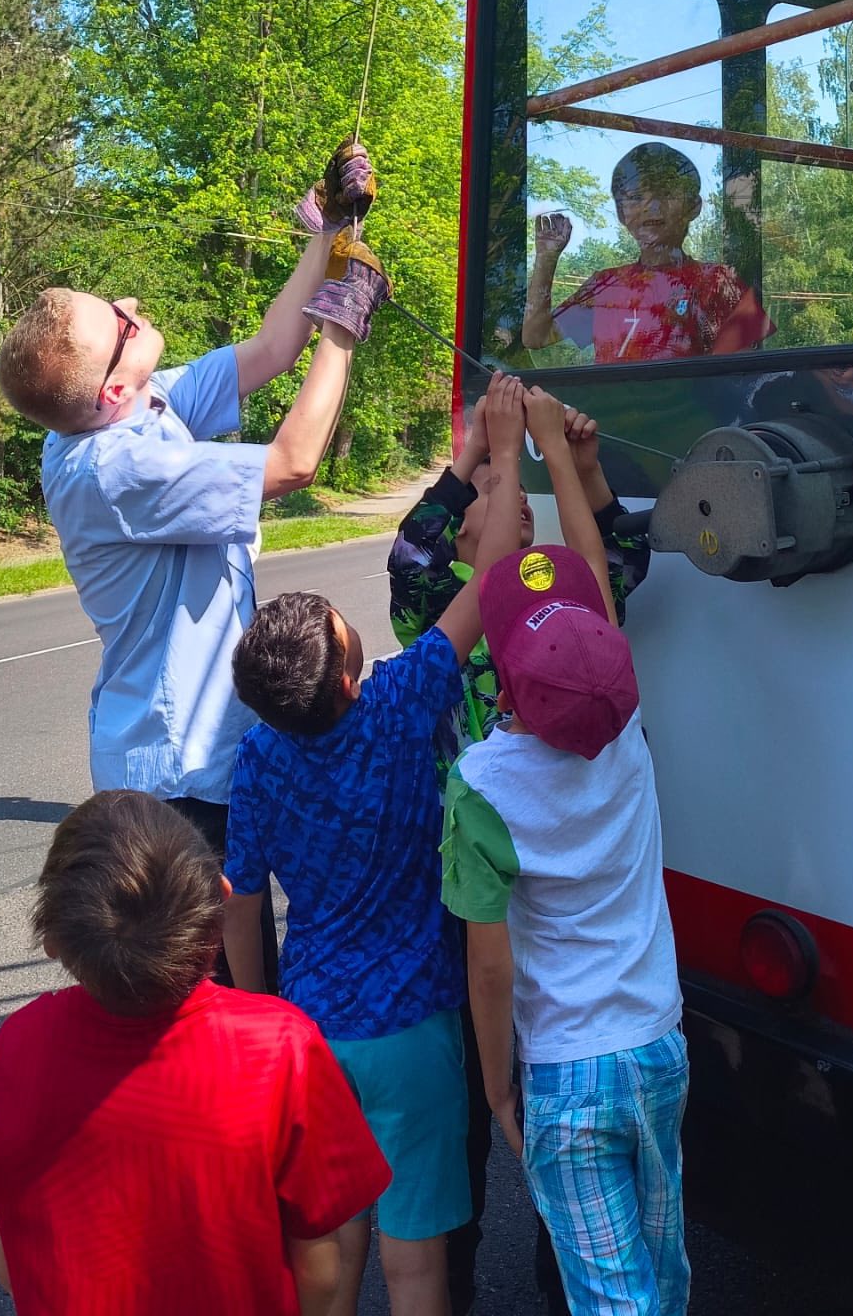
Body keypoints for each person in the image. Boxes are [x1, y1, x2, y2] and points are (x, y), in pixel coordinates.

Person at [0, 140, 387, 979]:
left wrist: (332, 229)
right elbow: (293, 463)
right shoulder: (115, 467)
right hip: (178, 776)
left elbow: (272, 348)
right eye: (122, 323)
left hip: (193, 755)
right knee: (219, 996)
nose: (133, 306)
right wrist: (346, 327)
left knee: (234, 979)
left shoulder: (136, 405)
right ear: (110, 389)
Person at [219, 375, 527, 1316]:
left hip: (313, 1029)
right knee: (417, 1263)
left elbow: (238, 897)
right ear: (351, 675)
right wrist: (506, 454)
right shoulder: (400, 705)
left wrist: (264, 1011)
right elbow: (493, 577)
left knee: (328, 1251)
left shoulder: (261, 756)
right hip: (413, 1028)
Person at [387, 397, 650, 1316]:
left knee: (557, 1153)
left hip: (540, 946)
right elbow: (414, 558)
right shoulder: (437, 617)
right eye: (490, 504)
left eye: (522, 499)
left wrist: (577, 468)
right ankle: (451, 1283)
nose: (516, 508)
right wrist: (490, 456)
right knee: (466, 1129)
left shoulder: (559, 612)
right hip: (479, 926)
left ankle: (562, 1281)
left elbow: (613, 565)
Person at [442, 383, 689, 1316]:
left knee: (612, 1299)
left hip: (568, 1070)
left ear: (495, 672)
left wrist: (498, 1089)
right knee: (662, 1276)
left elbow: (491, 965)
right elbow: (592, 577)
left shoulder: (484, 786)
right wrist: (550, 448)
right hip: (658, 1044)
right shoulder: (622, 728)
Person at [0, 790, 390, 1316]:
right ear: (220, 905)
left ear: (52, 938)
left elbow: (10, 1272)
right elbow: (321, 1271)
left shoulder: (19, 1048)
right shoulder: (280, 1048)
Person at [522, 142, 772, 364]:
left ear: (694, 207)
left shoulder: (717, 282)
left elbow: (742, 374)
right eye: (636, 197)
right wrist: (546, 258)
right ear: (621, 214)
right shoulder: (605, 285)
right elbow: (536, 336)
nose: (651, 207)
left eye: (665, 194)